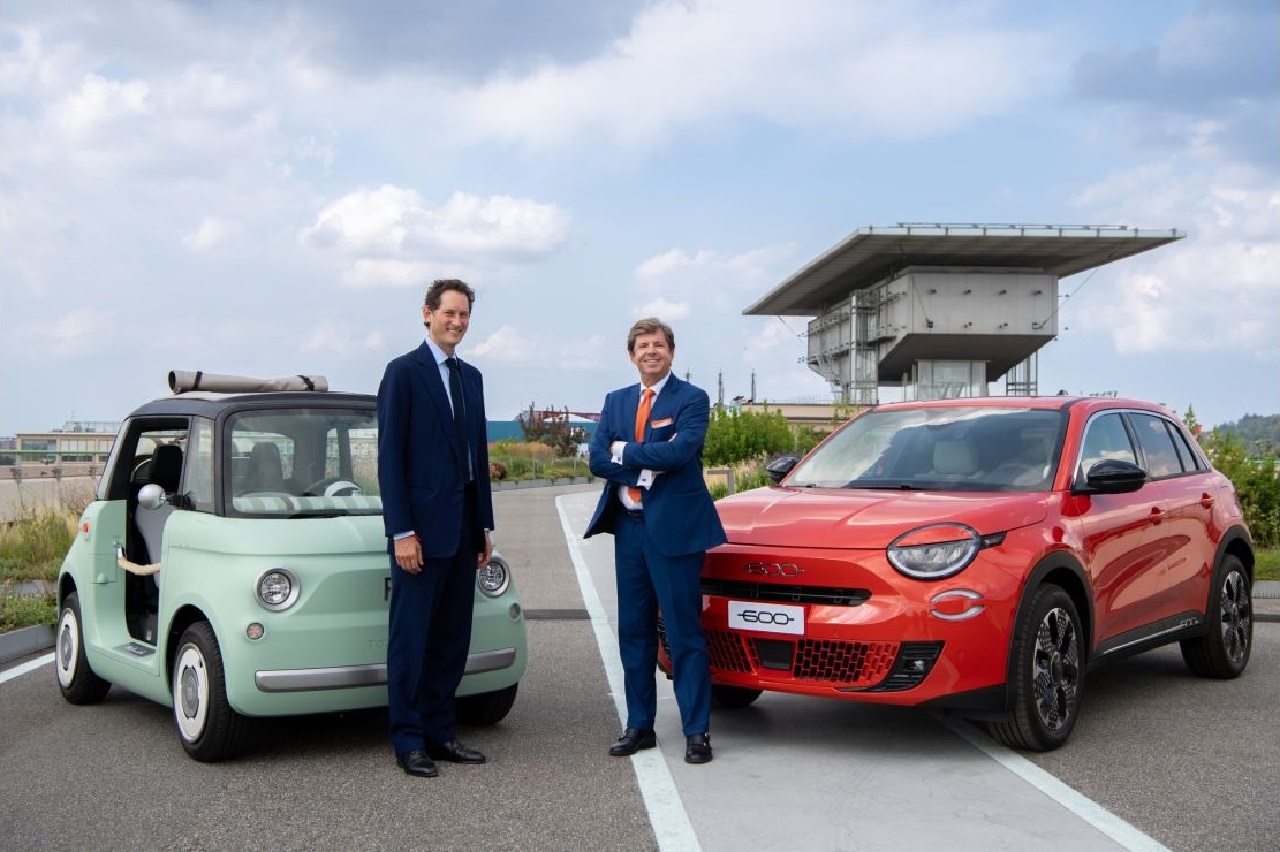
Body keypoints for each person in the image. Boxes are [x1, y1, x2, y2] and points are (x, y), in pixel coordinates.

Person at [584, 317, 727, 764]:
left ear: (671, 352)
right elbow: (595, 458)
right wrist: (644, 470)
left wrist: (624, 451)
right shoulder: (616, 401)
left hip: (676, 533)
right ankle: (639, 726)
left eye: (659, 345)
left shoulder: (692, 399)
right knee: (634, 632)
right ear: (631, 355)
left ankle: (696, 731)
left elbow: (680, 451)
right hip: (629, 531)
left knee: (683, 633)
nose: (651, 351)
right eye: (643, 345)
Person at [378, 278, 494, 778]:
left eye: (465, 315)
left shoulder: (472, 377)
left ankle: (441, 732)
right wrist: (401, 531)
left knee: (452, 639)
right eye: (450, 313)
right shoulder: (403, 374)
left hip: (463, 530)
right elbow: (389, 460)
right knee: (412, 639)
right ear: (427, 314)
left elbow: (478, 457)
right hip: (419, 535)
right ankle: (408, 740)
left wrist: (483, 526)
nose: (458, 322)